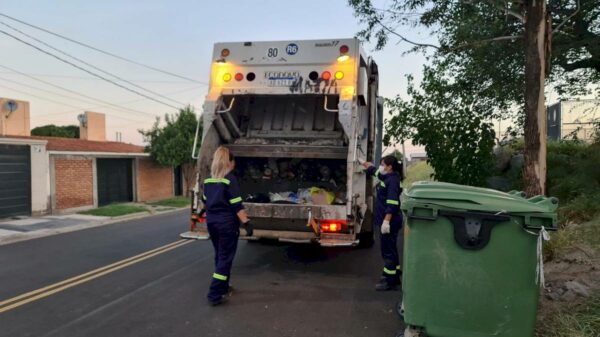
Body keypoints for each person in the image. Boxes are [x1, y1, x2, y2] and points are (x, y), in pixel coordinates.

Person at [203, 146, 253, 306]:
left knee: (219, 255)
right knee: (225, 258)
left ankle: (223, 287)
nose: (235, 163)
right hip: (226, 224)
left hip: (212, 223)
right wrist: (247, 223)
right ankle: (214, 294)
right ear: (228, 162)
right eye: (233, 160)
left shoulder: (208, 181)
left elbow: (205, 202)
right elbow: (236, 206)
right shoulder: (229, 179)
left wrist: (198, 214)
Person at [362, 155, 404, 291]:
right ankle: (394, 274)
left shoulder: (392, 181)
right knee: (391, 248)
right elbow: (377, 173)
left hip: (390, 221)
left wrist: (386, 221)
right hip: (392, 220)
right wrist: (366, 165)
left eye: (382, 164)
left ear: (389, 167)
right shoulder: (389, 177)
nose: (381, 167)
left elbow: (392, 203)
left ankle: (390, 282)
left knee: (387, 251)